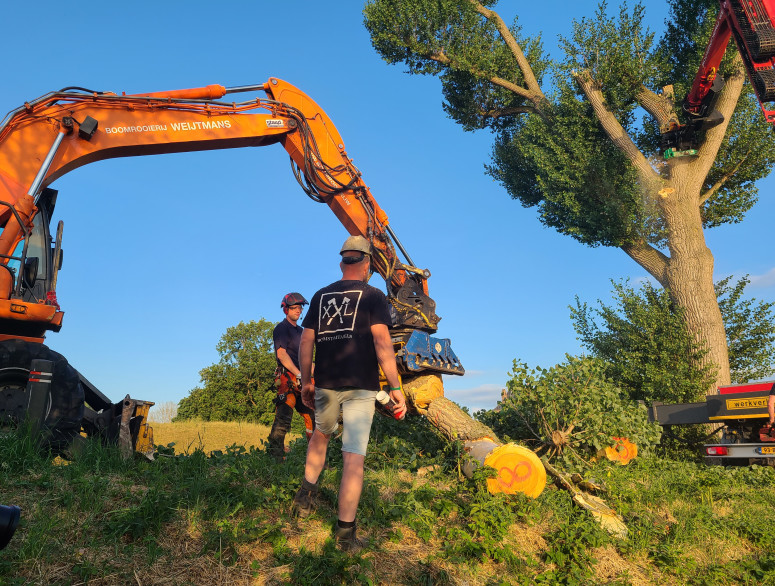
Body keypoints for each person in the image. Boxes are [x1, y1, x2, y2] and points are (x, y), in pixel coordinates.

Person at [292, 235, 407, 552]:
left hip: (326, 384)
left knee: (321, 433)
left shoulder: (320, 296)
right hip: (360, 387)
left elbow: (306, 342)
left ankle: (305, 497)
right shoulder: (373, 296)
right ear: (368, 264)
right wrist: (395, 388)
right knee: (353, 458)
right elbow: (383, 345)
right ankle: (345, 537)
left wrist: (305, 381)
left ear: (343, 262)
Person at [267, 292, 316, 462]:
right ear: (286, 310)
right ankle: (275, 459)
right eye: (294, 308)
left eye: (300, 307)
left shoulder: (303, 332)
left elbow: (308, 357)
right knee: (283, 420)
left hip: (304, 381)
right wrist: (298, 373)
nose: (298, 310)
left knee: (313, 419)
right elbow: (282, 355)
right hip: (288, 380)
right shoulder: (281, 329)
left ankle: (315, 459)